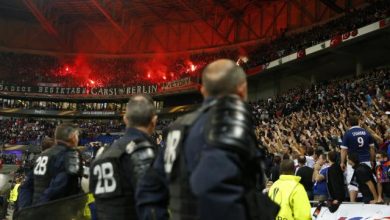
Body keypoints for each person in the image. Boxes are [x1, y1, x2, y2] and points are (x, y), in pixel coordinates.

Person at [137, 59, 279, 220]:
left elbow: (148, 189)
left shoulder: (178, 128)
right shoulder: (228, 124)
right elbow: (209, 188)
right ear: (242, 89)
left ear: (203, 90)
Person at [89, 95, 158, 220]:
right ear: (154, 121)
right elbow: (153, 207)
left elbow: (96, 205)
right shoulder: (141, 151)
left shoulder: (101, 153)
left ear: (125, 119)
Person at [18, 123, 83, 207]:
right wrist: (40, 207)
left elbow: (26, 186)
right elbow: (59, 187)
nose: (78, 139)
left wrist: (26, 209)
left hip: (35, 211)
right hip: (55, 211)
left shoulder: (42, 155)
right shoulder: (70, 154)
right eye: (77, 136)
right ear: (72, 136)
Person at [340, 114, 375, 201]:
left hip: (353, 162)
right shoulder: (366, 132)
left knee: (353, 184)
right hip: (366, 160)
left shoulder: (348, 134)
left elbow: (344, 150)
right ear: (358, 122)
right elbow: (372, 148)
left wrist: (342, 162)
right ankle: (373, 200)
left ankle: (353, 203)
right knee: (368, 181)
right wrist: (372, 160)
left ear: (348, 124)